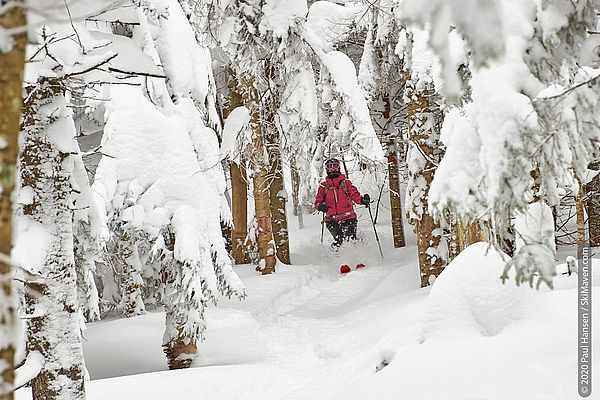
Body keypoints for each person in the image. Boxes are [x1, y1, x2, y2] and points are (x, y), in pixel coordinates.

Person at [314, 158, 370, 249]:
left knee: (350, 239)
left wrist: (363, 200)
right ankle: (340, 260)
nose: (333, 169)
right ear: (326, 169)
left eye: (335, 166)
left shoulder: (346, 183)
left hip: (348, 217)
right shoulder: (324, 186)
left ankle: (358, 257)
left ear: (339, 168)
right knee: (339, 240)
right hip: (332, 220)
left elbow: (355, 195)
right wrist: (320, 206)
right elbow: (317, 201)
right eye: (330, 166)